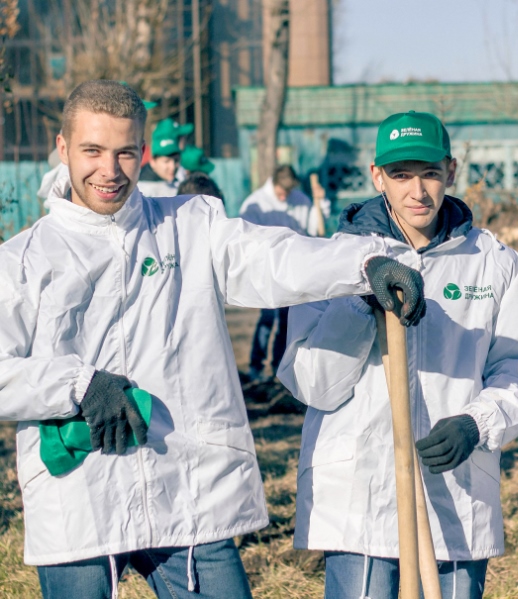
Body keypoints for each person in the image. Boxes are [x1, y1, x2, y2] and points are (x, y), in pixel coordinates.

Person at [0, 80, 426, 599]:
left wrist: (363, 262)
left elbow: (274, 256)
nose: (109, 171)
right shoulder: (22, 260)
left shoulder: (189, 224)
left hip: (187, 485)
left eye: (126, 153)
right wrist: (78, 384)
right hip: (81, 497)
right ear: (63, 148)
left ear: (142, 150)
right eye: (92, 151)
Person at [278, 111, 518, 599]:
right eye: (401, 175)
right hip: (359, 495)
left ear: (450, 170)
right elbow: (315, 384)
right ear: (376, 177)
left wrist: (477, 423)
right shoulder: (330, 262)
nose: (417, 191)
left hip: (456, 490)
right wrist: (361, 300)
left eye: (428, 172)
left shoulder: (493, 263)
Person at [239, 165, 331, 381]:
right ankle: (256, 366)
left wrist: (322, 203)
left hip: (292, 272)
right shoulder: (257, 202)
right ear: (274, 184)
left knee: (286, 320)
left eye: (288, 192)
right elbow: (245, 236)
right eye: (282, 191)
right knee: (267, 317)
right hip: (266, 272)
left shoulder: (300, 200)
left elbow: (316, 229)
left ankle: (279, 366)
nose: (285, 196)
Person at [137, 125, 181, 198]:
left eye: (176, 160)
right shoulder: (142, 192)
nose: (172, 167)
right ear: (153, 162)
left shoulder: (175, 183)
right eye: (166, 161)